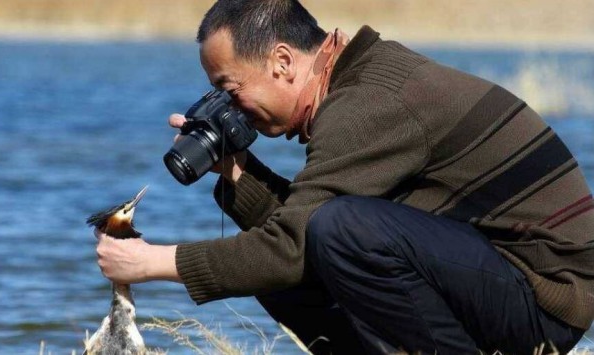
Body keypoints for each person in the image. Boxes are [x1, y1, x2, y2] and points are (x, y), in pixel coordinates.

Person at [93, 0, 594, 353]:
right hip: (502, 278)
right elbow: (299, 233)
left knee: (327, 234)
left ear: (283, 61)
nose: (231, 106)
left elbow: (299, 242)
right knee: (285, 257)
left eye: (230, 89)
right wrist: (236, 171)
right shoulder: (361, 80)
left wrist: (150, 262)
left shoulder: (365, 107)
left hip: (545, 301)